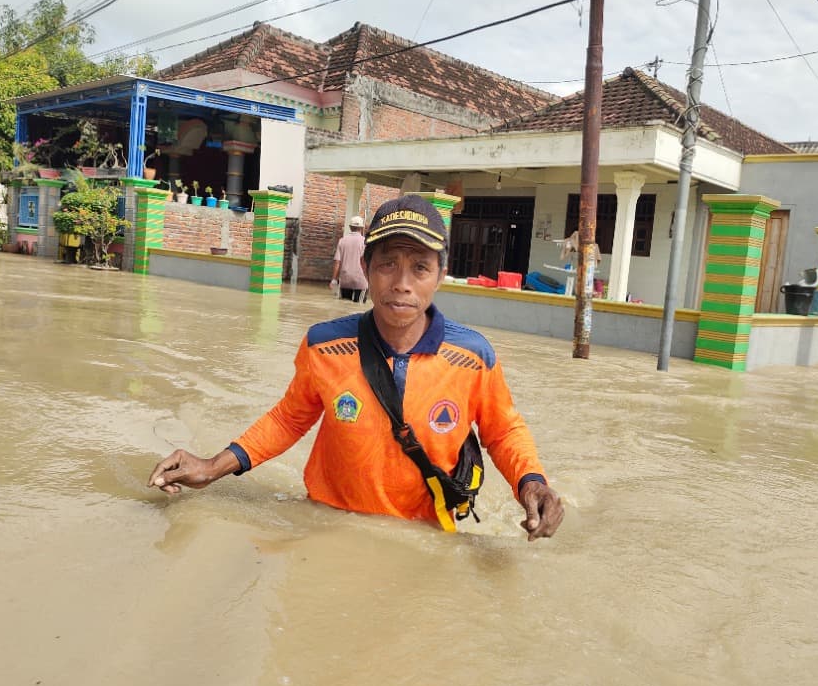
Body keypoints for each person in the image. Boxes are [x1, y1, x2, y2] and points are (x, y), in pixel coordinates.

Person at [149, 194, 564, 540]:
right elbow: (288, 419)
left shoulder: (474, 357)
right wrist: (210, 467)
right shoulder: (324, 346)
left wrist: (532, 482)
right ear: (365, 269)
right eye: (388, 264)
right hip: (326, 526)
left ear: (441, 274)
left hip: (423, 536)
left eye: (420, 266)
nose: (402, 281)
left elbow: (503, 430)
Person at [329, 215, 368, 302]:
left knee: (344, 307)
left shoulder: (342, 241)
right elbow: (367, 261)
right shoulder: (365, 242)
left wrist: (334, 280)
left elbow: (337, 262)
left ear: (350, 227)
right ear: (361, 228)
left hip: (345, 280)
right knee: (359, 308)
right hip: (361, 280)